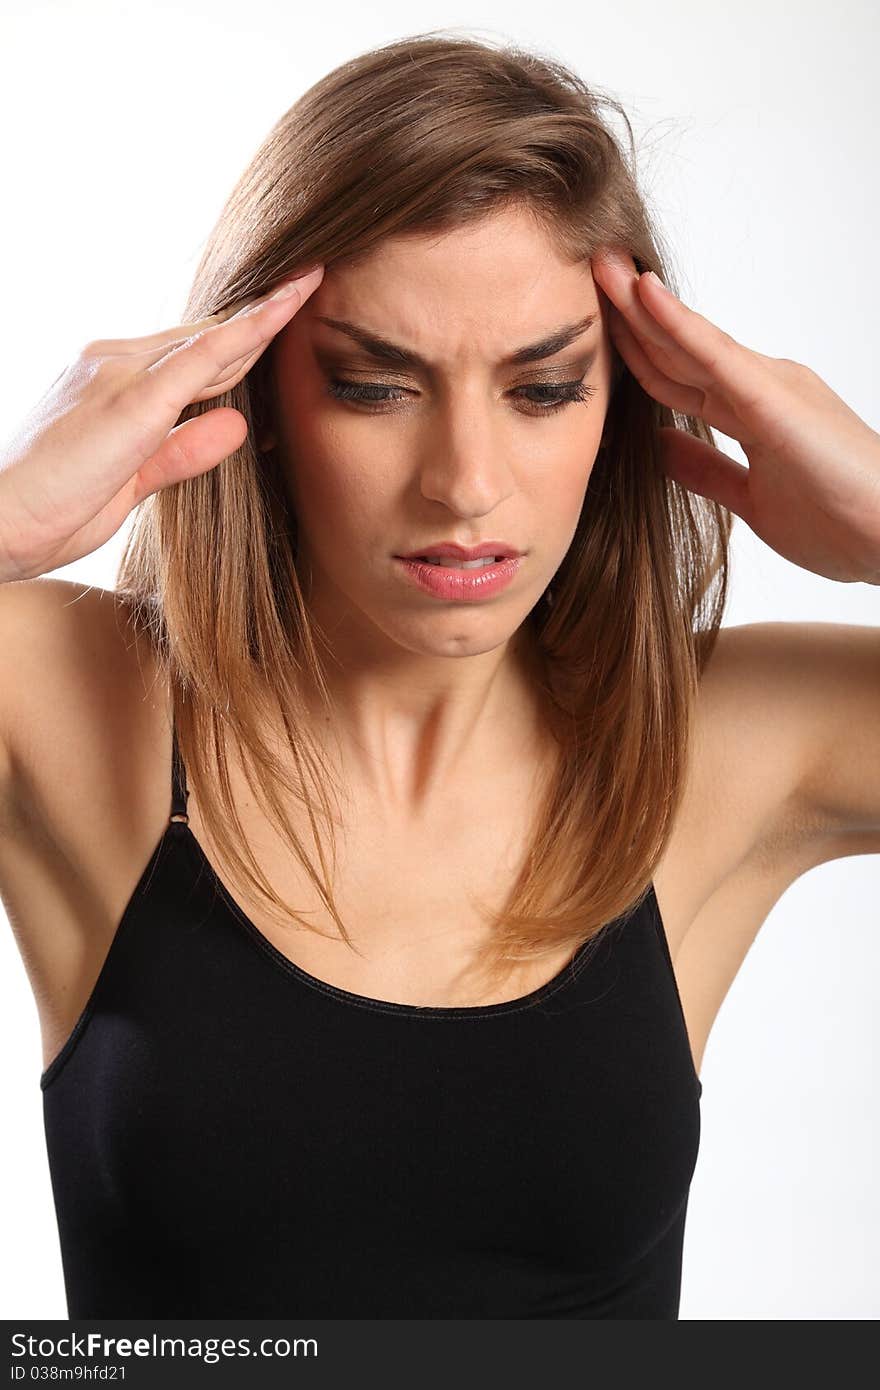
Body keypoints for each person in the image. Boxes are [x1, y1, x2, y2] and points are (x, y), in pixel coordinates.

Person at [0, 32, 877, 1320]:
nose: (465, 484)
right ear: (258, 394)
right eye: (374, 386)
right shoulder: (65, 701)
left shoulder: (726, 744)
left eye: (543, 387)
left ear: (621, 401)